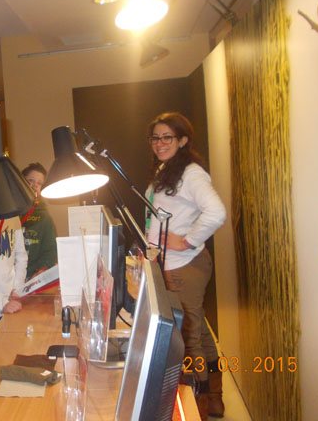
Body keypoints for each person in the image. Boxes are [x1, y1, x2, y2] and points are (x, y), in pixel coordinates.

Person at [144, 112, 226, 421]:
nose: (160, 143)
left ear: (182, 140)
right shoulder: (167, 171)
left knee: (188, 342)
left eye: (167, 137)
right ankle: (215, 399)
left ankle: (198, 409)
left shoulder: (191, 174)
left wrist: (188, 241)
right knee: (199, 332)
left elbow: (216, 212)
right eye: (155, 138)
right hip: (172, 264)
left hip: (185, 266)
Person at [21, 163, 57, 280]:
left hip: (32, 278)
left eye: (39, 183)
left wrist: (41, 270)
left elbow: (50, 250)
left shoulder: (45, 217)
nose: (35, 185)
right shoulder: (8, 212)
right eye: (30, 180)